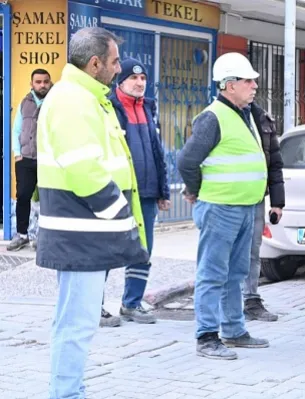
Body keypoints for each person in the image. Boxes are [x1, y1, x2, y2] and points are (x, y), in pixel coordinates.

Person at [36, 27, 149, 398]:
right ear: (95, 63)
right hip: (80, 232)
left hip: (81, 230)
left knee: (74, 322)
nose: (119, 69)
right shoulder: (73, 100)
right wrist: (119, 212)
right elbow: (84, 170)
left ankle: (68, 390)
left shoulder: (84, 96)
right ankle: (67, 394)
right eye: (115, 62)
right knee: (77, 324)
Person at [177, 52, 270, 360]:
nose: (254, 85)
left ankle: (233, 330)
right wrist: (197, 189)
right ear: (229, 85)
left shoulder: (244, 113)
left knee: (236, 272)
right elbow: (187, 161)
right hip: (220, 208)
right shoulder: (213, 117)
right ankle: (206, 336)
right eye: (248, 80)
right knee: (213, 273)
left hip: (243, 206)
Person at [99, 57, 171, 327]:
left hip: (148, 194)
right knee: (106, 250)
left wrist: (163, 190)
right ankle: (95, 306)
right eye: (133, 78)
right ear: (121, 80)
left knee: (143, 251)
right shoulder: (109, 109)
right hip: (118, 193)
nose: (140, 83)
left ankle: (131, 304)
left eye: (143, 79)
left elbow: (157, 152)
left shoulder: (149, 108)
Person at [242, 86, 285, 322]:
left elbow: (275, 163)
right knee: (227, 254)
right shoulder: (218, 116)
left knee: (252, 252)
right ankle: (226, 303)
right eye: (248, 82)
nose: (254, 87)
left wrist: (277, 202)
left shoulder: (261, 118)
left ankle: (251, 300)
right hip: (228, 198)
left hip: (257, 197)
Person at [8, 69, 52, 252]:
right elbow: (17, 129)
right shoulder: (24, 102)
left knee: (48, 198)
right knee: (23, 197)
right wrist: (17, 154)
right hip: (25, 158)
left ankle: (43, 237)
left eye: (45, 82)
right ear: (31, 83)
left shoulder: (55, 101)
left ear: (50, 82)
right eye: (38, 82)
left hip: (47, 159)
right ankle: (22, 235)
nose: (42, 85)